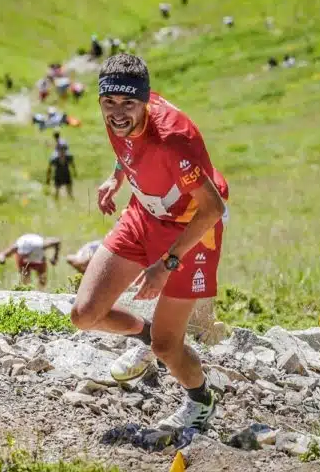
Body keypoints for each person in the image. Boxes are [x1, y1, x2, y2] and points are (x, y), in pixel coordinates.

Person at [71, 54, 229, 431]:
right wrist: (116, 178)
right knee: (85, 315)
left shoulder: (174, 140)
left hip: (191, 230)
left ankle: (201, 400)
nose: (118, 113)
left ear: (145, 101)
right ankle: (144, 334)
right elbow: (128, 148)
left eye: (128, 104)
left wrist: (166, 264)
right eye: (109, 103)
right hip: (144, 212)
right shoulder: (119, 114)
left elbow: (213, 207)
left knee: (167, 346)